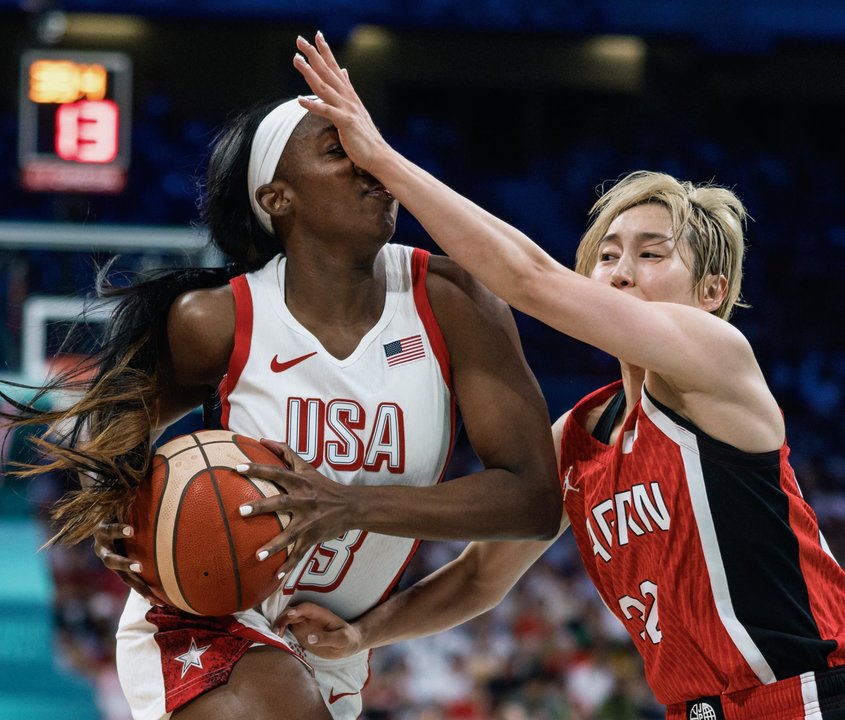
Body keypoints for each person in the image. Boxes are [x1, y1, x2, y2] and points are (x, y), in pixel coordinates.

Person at [276, 33, 845, 720]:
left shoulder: (716, 357)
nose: (620, 269)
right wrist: (366, 634)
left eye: (650, 252)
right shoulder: (578, 435)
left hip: (810, 694)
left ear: (710, 291)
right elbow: (484, 575)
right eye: (604, 255)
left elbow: (529, 279)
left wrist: (384, 163)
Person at [0, 78, 563, 718]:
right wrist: (118, 518)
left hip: (329, 648)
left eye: (369, 144)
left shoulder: (454, 301)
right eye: (337, 151)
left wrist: (350, 505)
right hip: (205, 617)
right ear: (278, 197)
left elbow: (533, 502)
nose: (371, 165)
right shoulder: (218, 320)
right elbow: (110, 442)